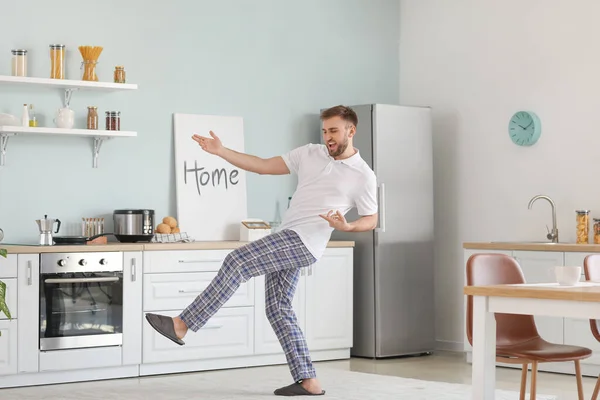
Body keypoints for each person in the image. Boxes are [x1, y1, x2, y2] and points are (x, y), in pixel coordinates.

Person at [145, 105, 378, 396]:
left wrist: (347, 226)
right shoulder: (310, 153)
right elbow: (263, 165)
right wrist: (222, 151)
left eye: (333, 131)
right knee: (278, 308)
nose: (328, 137)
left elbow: (371, 218)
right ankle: (309, 381)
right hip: (290, 235)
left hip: (306, 241)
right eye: (325, 131)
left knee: (237, 260)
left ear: (350, 130)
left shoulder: (362, 175)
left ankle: (183, 324)